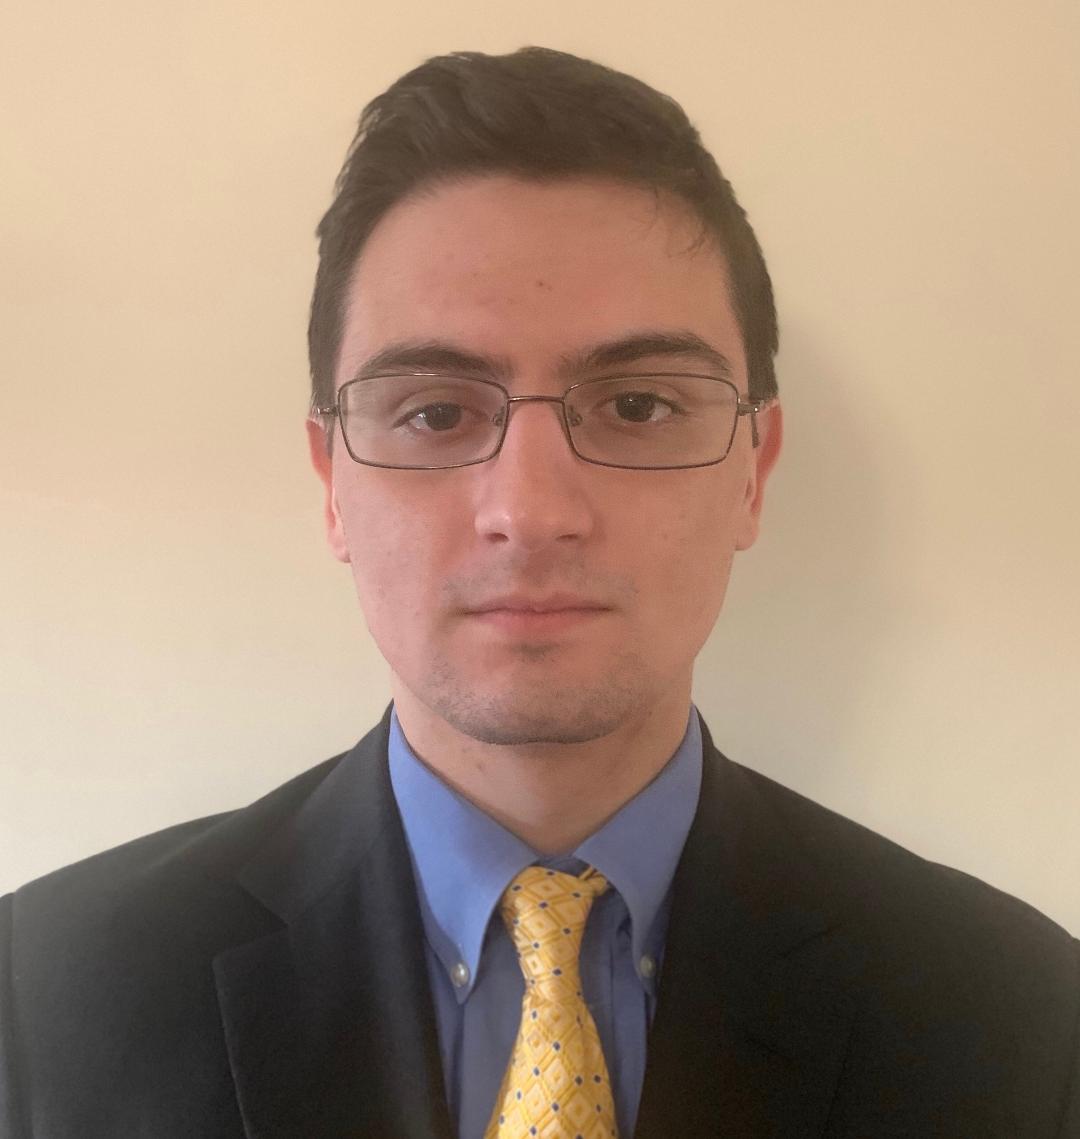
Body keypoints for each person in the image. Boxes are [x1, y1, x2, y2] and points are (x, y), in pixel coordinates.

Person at [1, 46, 1077, 1139]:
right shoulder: (42, 1001)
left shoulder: (1019, 1018)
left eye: (640, 405)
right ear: (332, 484)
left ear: (752, 470)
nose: (532, 508)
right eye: (434, 412)